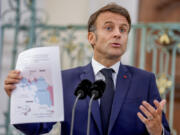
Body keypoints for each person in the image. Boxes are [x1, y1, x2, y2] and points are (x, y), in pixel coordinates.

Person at [4, 3, 170, 135]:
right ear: (91, 37)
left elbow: (163, 131)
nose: (118, 34)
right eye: (109, 28)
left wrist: (158, 132)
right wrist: (20, 98)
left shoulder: (144, 80)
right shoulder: (65, 80)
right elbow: (38, 128)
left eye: (123, 29)